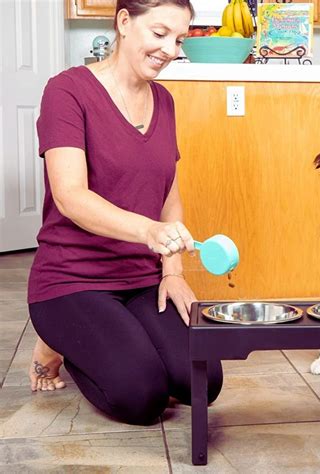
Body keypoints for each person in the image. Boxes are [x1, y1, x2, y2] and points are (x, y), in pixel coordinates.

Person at [27, 0, 223, 425]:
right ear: (123, 22)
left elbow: (168, 194)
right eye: (159, 33)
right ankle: (56, 342)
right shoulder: (67, 91)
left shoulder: (164, 101)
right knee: (142, 397)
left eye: (179, 39)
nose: (170, 49)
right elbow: (70, 196)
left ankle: (115, 341)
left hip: (140, 278)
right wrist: (149, 231)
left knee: (204, 383)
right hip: (71, 278)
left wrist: (172, 272)